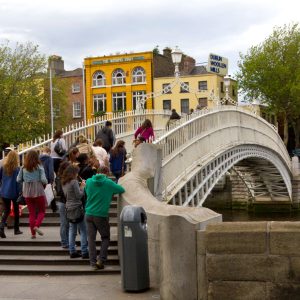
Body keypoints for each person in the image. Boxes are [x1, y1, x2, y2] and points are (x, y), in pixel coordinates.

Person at [85, 166, 125, 270]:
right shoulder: (108, 183)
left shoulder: (89, 181)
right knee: (105, 237)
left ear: (98, 172)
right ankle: (101, 260)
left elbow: (86, 190)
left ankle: (93, 263)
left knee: (91, 239)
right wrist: (109, 192)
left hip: (88, 213)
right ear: (107, 173)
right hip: (101, 215)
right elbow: (121, 190)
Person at [17, 150, 48, 239]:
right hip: (38, 190)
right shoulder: (39, 167)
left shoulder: (23, 168)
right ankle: (36, 226)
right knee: (42, 211)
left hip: (27, 191)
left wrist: (26, 180)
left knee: (32, 213)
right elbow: (44, 180)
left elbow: (18, 180)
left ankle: (33, 234)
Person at [62, 164, 88, 259]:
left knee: (72, 231)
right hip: (77, 208)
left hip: (68, 208)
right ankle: (84, 251)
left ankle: (72, 251)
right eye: (77, 172)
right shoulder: (74, 182)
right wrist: (82, 186)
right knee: (83, 230)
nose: (78, 174)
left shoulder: (64, 183)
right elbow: (79, 195)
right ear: (73, 173)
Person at [0, 150, 22, 238]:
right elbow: (18, 182)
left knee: (7, 211)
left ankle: (1, 227)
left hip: (4, 192)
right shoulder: (17, 169)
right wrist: (20, 192)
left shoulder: (3, 167)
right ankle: (16, 229)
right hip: (14, 192)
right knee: (16, 211)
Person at [55, 161, 71, 249]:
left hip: (68, 202)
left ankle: (68, 241)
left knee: (68, 223)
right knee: (64, 223)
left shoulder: (69, 178)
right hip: (63, 202)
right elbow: (59, 192)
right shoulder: (59, 178)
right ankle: (64, 242)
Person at [39, 147, 56, 212]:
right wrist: (51, 180)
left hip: (39, 178)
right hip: (47, 178)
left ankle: (40, 208)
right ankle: (54, 208)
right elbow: (51, 170)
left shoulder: (38, 158)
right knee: (50, 192)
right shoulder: (49, 159)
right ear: (48, 152)